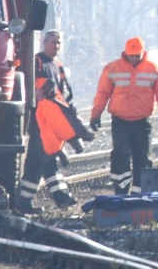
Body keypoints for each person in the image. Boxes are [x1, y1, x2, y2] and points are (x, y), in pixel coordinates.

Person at [17, 30, 93, 214]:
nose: (56, 46)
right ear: (45, 42)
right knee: (48, 157)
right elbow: (21, 82)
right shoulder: (37, 62)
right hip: (38, 120)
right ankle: (61, 197)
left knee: (36, 161)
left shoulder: (57, 65)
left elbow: (62, 95)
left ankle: (22, 202)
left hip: (50, 120)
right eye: (53, 42)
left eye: (58, 43)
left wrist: (73, 116)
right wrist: (32, 97)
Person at [89, 37, 158, 195]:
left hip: (142, 122)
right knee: (120, 153)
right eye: (131, 55)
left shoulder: (154, 70)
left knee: (142, 157)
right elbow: (103, 93)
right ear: (125, 53)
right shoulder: (112, 69)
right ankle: (120, 190)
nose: (134, 58)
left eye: (137, 55)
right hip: (120, 121)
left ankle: (139, 193)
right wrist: (96, 114)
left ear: (143, 53)